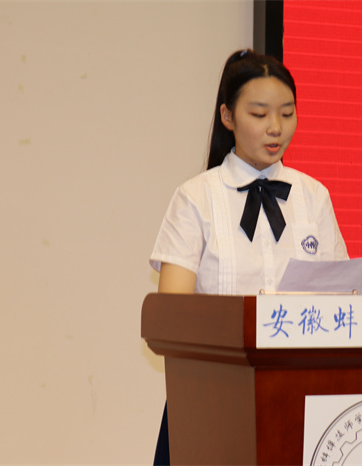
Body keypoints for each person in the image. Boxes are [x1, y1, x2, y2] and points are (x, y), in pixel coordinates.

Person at [149, 49, 349, 464]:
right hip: (212, 397)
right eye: (259, 114)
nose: (276, 127)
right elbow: (172, 318)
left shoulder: (314, 197)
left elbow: (342, 301)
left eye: (287, 113)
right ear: (227, 116)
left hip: (302, 397)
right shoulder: (196, 198)